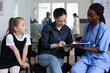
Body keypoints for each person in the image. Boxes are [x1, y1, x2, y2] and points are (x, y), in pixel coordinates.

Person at [71, 3, 110, 73]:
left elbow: (101, 49)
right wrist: (74, 42)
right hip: (87, 57)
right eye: (88, 15)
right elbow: (84, 41)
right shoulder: (87, 27)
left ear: (98, 16)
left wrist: (84, 48)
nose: (88, 18)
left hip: (100, 59)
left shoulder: (104, 29)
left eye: (91, 16)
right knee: (74, 70)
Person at [38, 8, 73, 73]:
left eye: (64, 20)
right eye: (60, 21)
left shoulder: (67, 29)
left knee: (49, 70)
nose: (62, 23)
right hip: (44, 56)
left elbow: (70, 42)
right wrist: (57, 45)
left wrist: (68, 48)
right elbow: (43, 44)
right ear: (55, 18)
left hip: (59, 57)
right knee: (53, 59)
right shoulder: (47, 28)